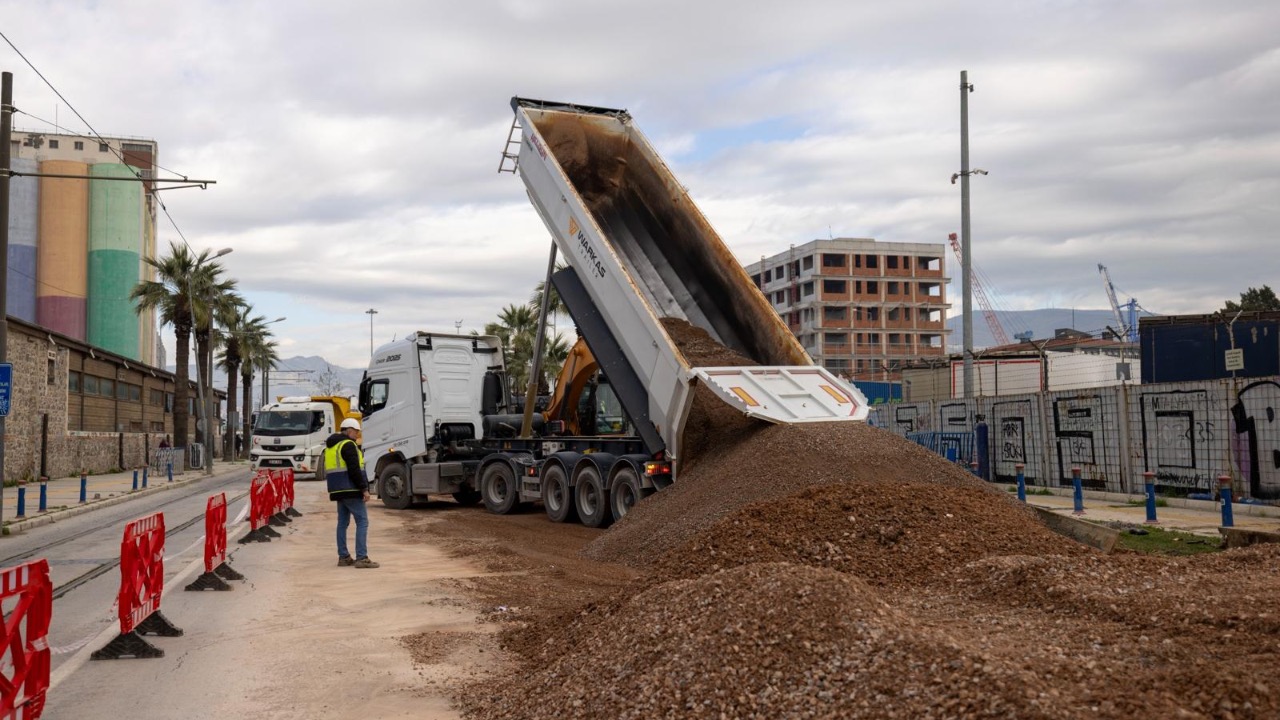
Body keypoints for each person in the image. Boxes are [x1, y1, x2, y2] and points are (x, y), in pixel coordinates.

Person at [323, 417, 378, 568]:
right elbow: (354, 470)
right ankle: (362, 557)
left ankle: (343, 557)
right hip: (351, 488)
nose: (357, 435)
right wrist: (364, 489)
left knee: (342, 523)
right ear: (348, 431)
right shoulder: (348, 444)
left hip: (338, 489)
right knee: (362, 521)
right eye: (356, 432)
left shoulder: (331, 446)